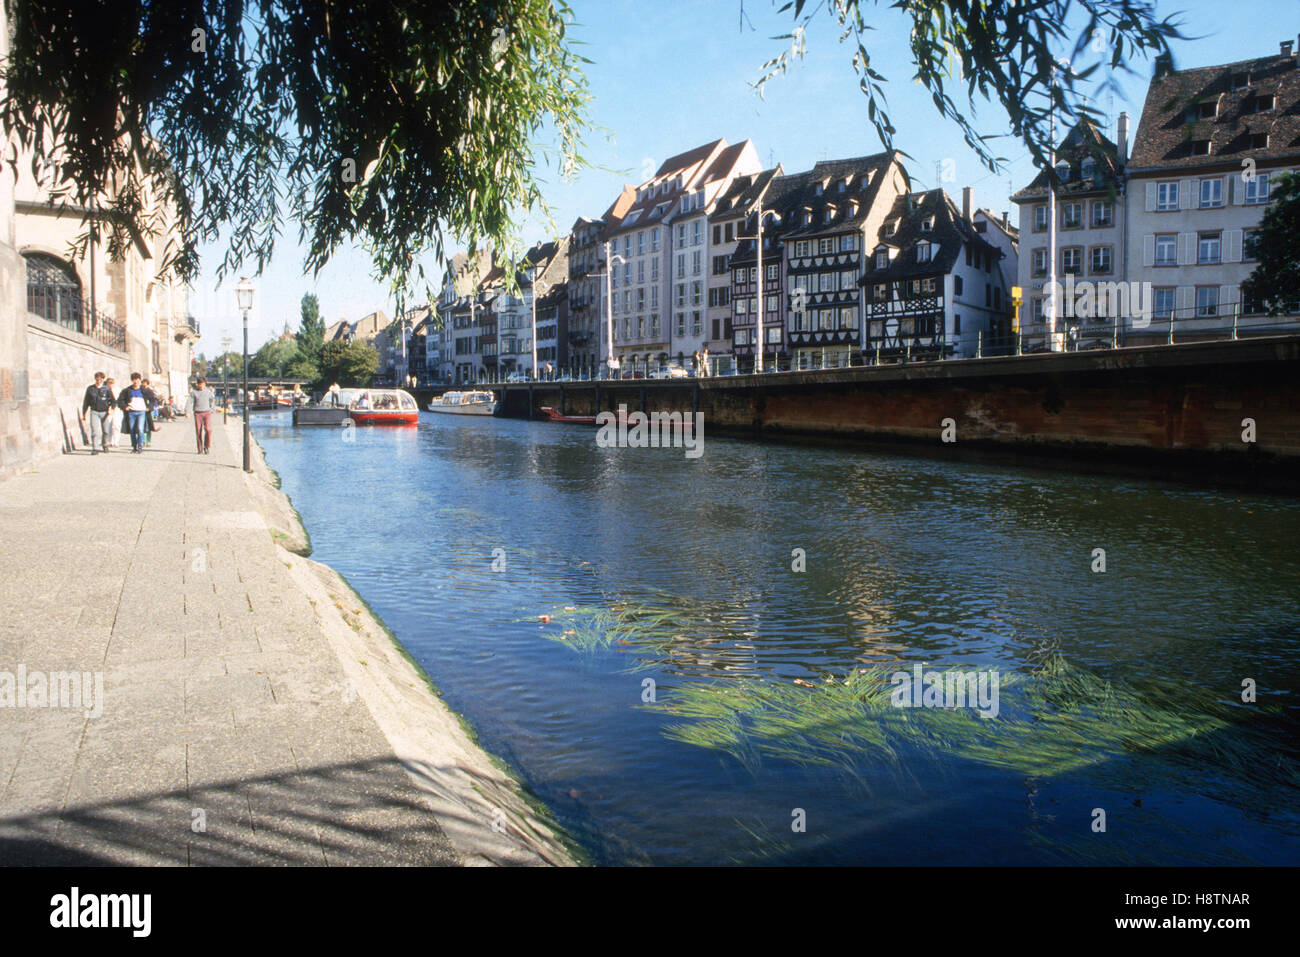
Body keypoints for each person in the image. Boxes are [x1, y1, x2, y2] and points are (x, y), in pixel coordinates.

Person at [80, 371, 114, 454]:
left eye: (100, 379)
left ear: (103, 379)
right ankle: (95, 448)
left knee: (106, 431)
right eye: (97, 379)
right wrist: (84, 413)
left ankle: (105, 445)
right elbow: (86, 401)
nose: (98, 380)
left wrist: (111, 409)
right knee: (95, 430)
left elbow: (113, 401)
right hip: (94, 411)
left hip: (105, 412)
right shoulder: (90, 388)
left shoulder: (107, 389)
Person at [118, 373, 150, 453]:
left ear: (140, 380)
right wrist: (125, 407)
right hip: (131, 412)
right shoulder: (127, 390)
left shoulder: (144, 391)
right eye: (134, 379)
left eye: (137, 379)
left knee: (140, 429)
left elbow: (153, 399)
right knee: (132, 430)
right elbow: (120, 400)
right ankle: (134, 446)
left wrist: (149, 408)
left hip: (141, 412)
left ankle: (140, 446)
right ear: (132, 380)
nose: (136, 381)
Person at [187, 377, 216, 454]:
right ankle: (200, 448)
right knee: (198, 430)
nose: (201, 386)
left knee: (208, 430)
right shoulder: (194, 392)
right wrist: (187, 411)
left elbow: (212, 400)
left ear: (205, 384)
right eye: (200, 384)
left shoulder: (208, 392)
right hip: (198, 413)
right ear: (197, 384)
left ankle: (207, 446)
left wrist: (212, 408)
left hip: (207, 412)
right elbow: (189, 402)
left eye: (203, 384)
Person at [104, 377, 123, 447]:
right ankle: (109, 441)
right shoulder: (105, 390)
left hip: (117, 409)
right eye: (109, 383)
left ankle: (116, 441)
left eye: (112, 383)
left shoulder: (118, 390)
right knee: (108, 425)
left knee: (116, 425)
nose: (111, 385)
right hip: (108, 409)